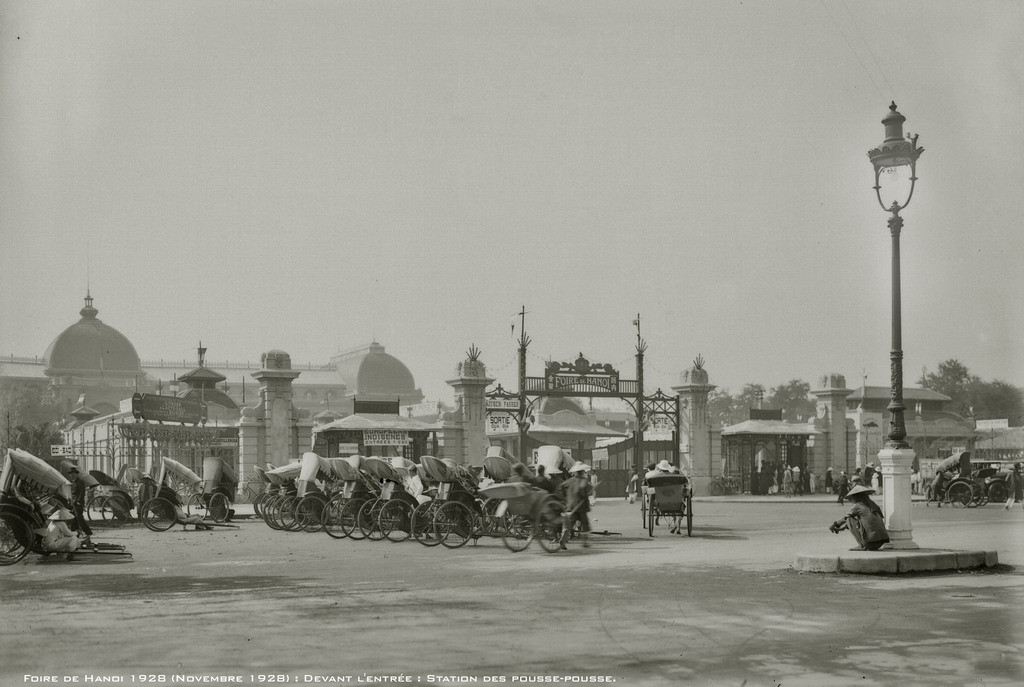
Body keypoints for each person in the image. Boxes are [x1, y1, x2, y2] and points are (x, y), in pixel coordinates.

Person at [829, 484, 890, 550]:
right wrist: (843, 528)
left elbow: (845, 518)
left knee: (849, 518)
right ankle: (864, 544)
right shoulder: (873, 505)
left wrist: (834, 525)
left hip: (870, 543)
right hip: (880, 543)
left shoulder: (858, 506)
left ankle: (861, 545)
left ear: (855, 497)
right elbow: (865, 521)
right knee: (856, 518)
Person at [558, 462, 593, 549]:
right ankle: (584, 542)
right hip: (581, 507)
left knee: (569, 524)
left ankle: (563, 540)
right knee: (585, 524)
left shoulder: (569, 481)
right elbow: (585, 491)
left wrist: (565, 497)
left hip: (570, 505)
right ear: (582, 472)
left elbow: (561, 487)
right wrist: (587, 493)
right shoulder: (583, 481)